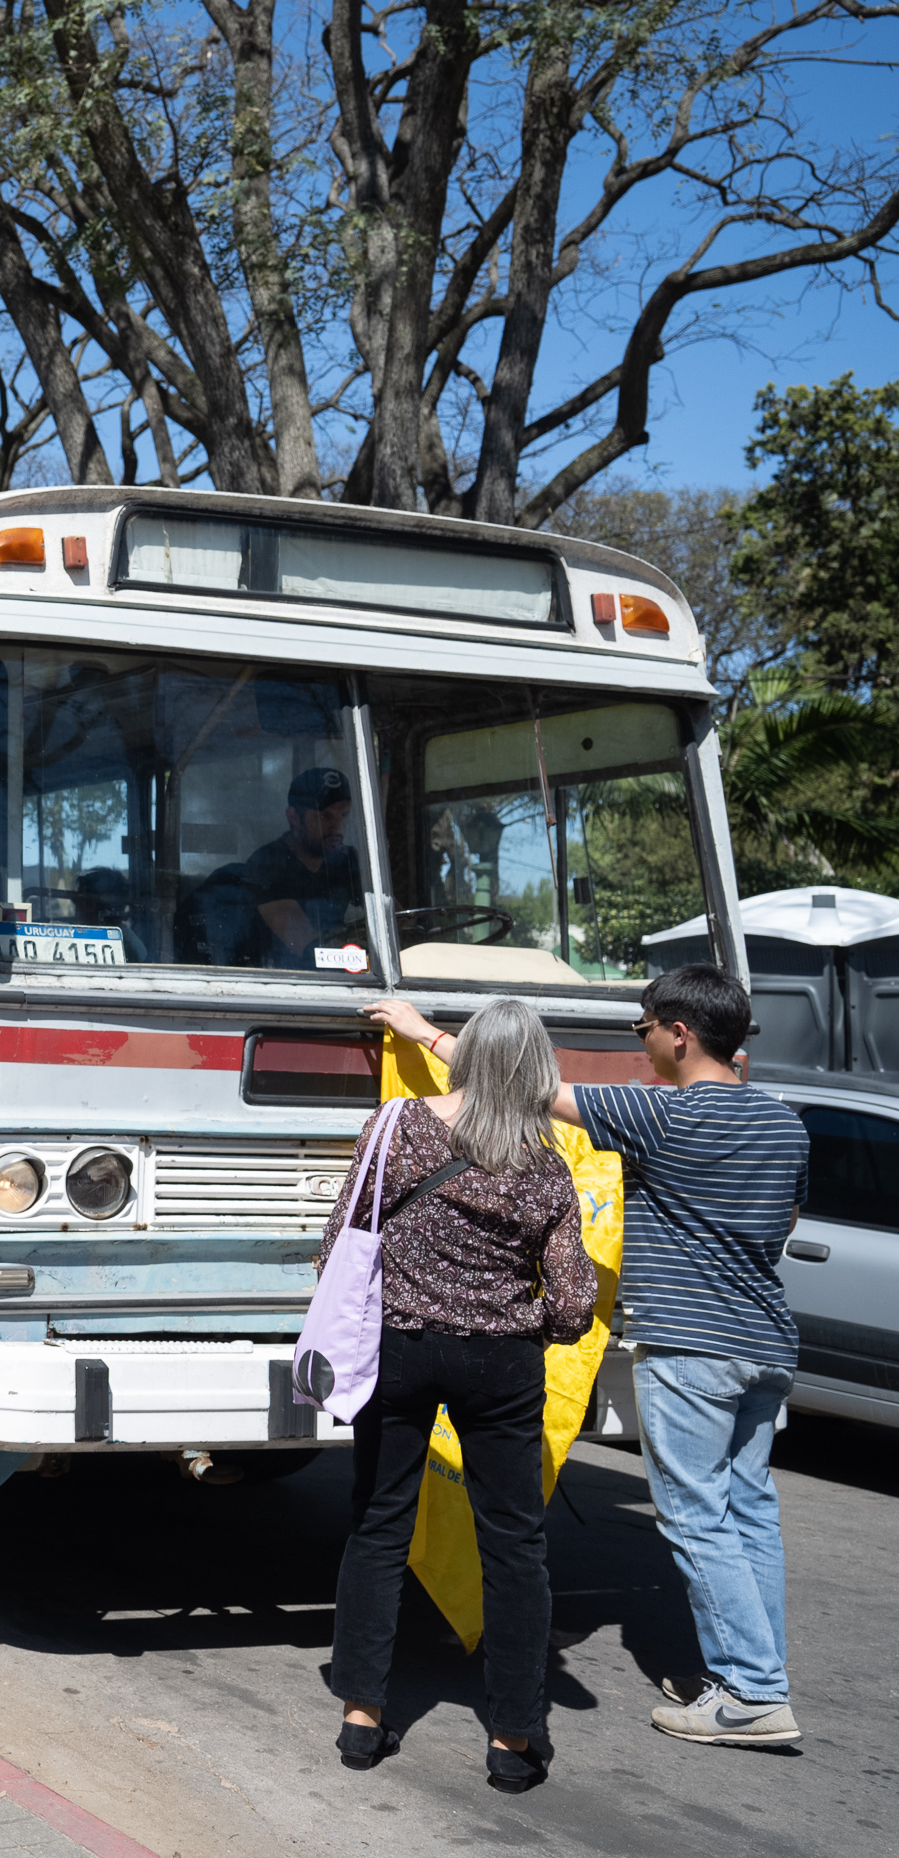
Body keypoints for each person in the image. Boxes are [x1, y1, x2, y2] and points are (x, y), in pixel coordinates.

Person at [371, 965, 809, 1748]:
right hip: (767, 1344)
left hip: (691, 1344)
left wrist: (424, 1032)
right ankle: (757, 1675)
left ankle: (749, 1692)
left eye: (643, 1030)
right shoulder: (784, 1123)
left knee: (695, 1515)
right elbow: (783, 1222)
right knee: (752, 1514)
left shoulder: (661, 1117)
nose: (640, 1047)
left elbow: (527, 1090)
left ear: (681, 1033)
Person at [322, 997, 595, 1792]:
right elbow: (575, 1303)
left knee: (378, 1525)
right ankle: (514, 1736)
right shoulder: (545, 1164)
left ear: (465, 1054)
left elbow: (343, 1237)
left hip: (398, 1352)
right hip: (502, 1365)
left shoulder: (397, 1126)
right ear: (537, 1071)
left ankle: (362, 1718)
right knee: (514, 1545)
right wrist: (526, 1323)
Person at [211, 766, 360, 969]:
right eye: (324, 816)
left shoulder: (347, 860)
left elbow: (397, 921)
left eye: (343, 815)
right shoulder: (267, 864)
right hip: (274, 981)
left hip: (336, 972)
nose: (337, 828)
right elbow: (309, 949)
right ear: (294, 817)